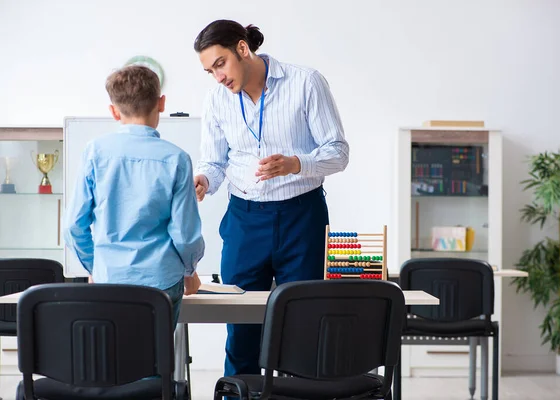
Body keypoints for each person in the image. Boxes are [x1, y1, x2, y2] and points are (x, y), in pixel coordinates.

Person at [193, 19, 349, 376]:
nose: (218, 77)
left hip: (302, 218)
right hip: (245, 220)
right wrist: (203, 180)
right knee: (241, 330)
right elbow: (214, 162)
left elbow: (338, 152)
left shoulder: (306, 82)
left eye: (220, 64)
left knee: (303, 324)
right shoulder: (217, 99)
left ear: (243, 49)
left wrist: (296, 163)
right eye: (209, 71)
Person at [64, 65, 205, 331]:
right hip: (161, 282)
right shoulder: (177, 159)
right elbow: (185, 234)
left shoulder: (95, 152)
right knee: (154, 362)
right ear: (161, 103)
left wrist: (97, 266)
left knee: (112, 360)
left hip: (109, 281)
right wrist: (190, 272)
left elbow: (73, 226)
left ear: (114, 111)